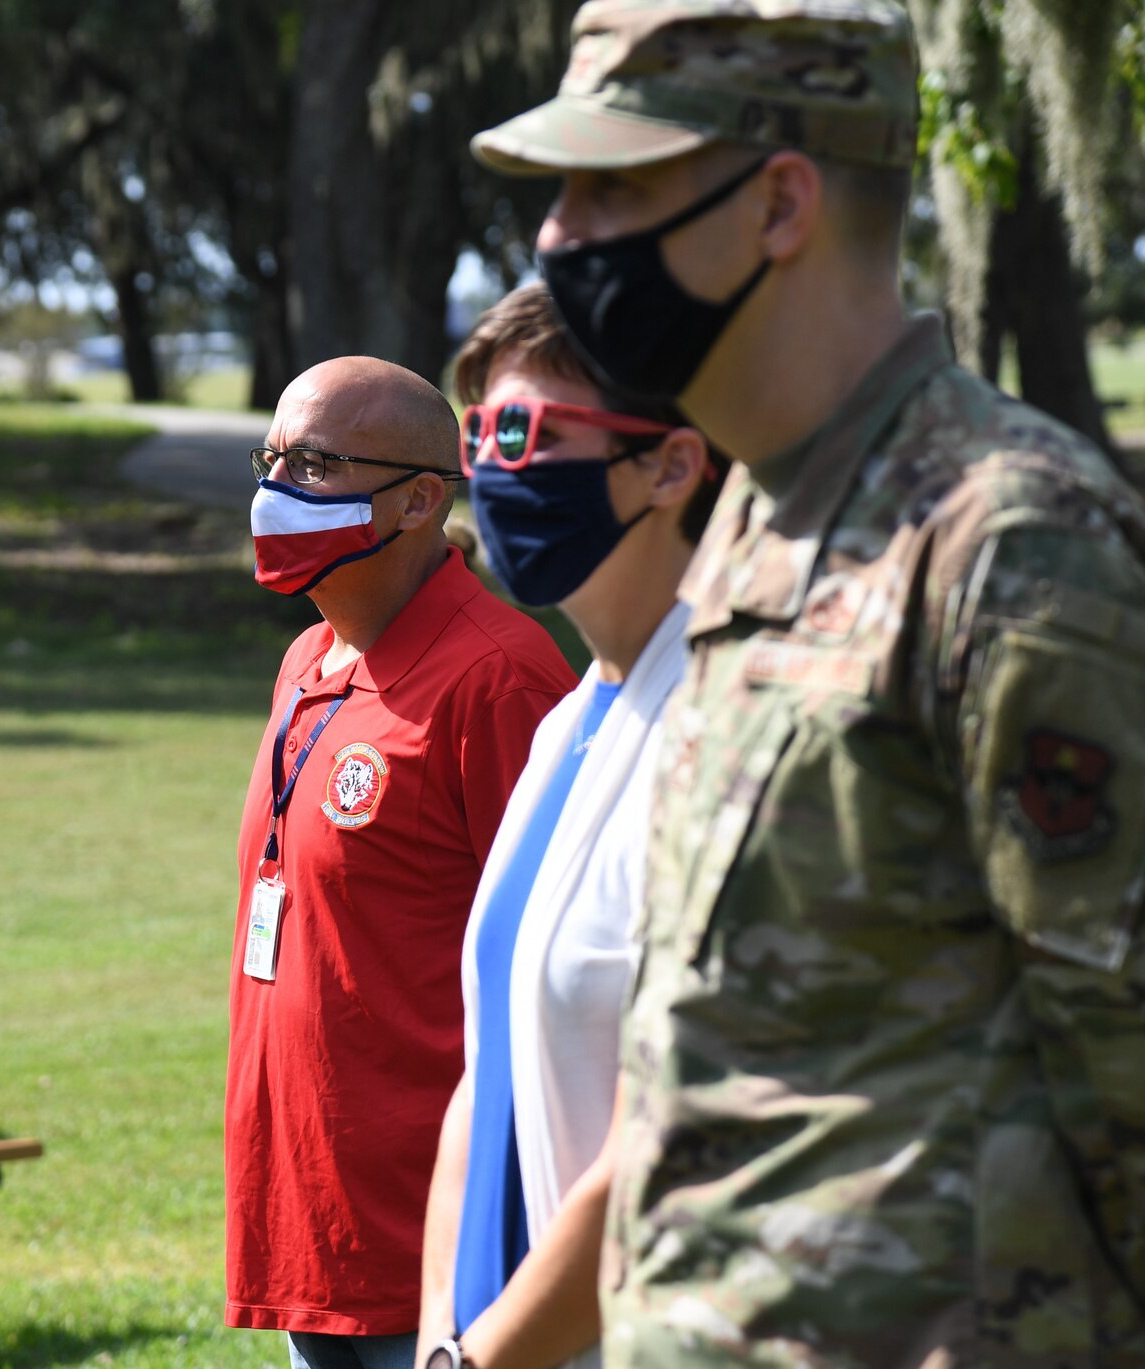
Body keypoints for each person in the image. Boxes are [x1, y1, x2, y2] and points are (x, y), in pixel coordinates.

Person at [461, 2, 1145, 1364]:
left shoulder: (1007, 540)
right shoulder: (754, 535)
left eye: (617, 184)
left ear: (779, 202)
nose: (558, 236)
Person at [226, 355, 577, 1369]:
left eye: (317, 462)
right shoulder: (304, 659)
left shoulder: (498, 676)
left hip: (441, 1248)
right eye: (272, 457)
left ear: (421, 499)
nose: (277, 489)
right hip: (310, 1219)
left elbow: (553, 971)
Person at [412, 283, 723, 1369]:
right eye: (474, 433)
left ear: (672, 465)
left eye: (523, 431)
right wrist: (435, 1344)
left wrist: (476, 1361)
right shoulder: (561, 724)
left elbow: (659, 1145)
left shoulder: (718, 733)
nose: (489, 468)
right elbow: (483, 1073)